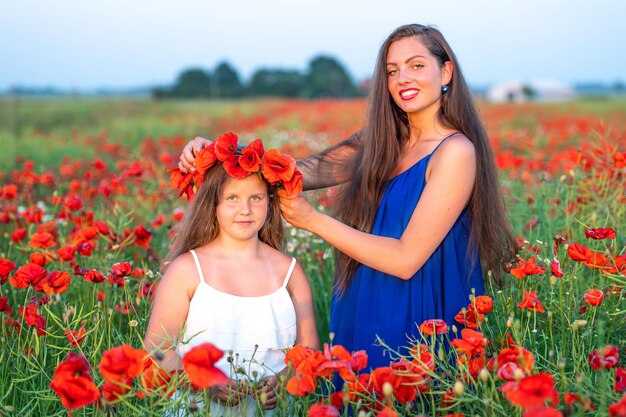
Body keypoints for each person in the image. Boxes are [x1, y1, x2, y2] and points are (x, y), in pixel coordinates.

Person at [178, 24, 517, 371]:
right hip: (366, 300)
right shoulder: (381, 142)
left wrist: (314, 222)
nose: (403, 79)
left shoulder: (455, 151)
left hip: (422, 312)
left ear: (445, 72)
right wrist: (221, 152)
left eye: (416, 66)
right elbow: (296, 171)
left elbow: (406, 259)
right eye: (392, 71)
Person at [145, 134, 319, 416]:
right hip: (199, 408)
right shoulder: (188, 270)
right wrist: (205, 384)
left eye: (256, 198)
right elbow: (158, 348)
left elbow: (309, 349)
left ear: (270, 200)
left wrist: (286, 379)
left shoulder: (290, 272)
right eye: (232, 198)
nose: (245, 210)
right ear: (211, 204)